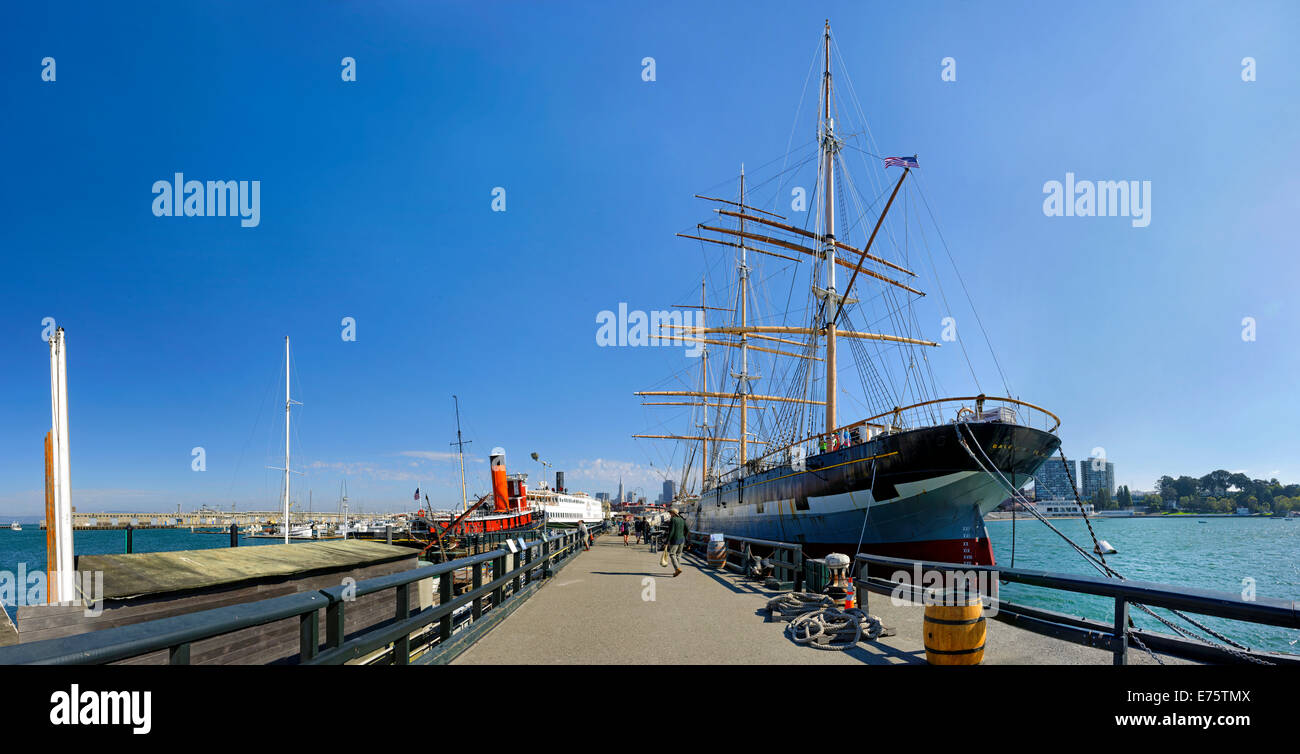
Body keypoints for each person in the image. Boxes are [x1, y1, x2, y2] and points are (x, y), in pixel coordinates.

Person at [664, 507, 689, 577]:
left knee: (672, 554)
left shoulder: (673, 519)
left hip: (674, 540)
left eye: (670, 513)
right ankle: (677, 569)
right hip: (682, 540)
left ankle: (677, 569)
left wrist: (667, 541)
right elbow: (687, 530)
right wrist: (684, 536)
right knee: (678, 555)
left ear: (673, 513)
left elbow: (671, 532)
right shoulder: (682, 519)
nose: (669, 514)